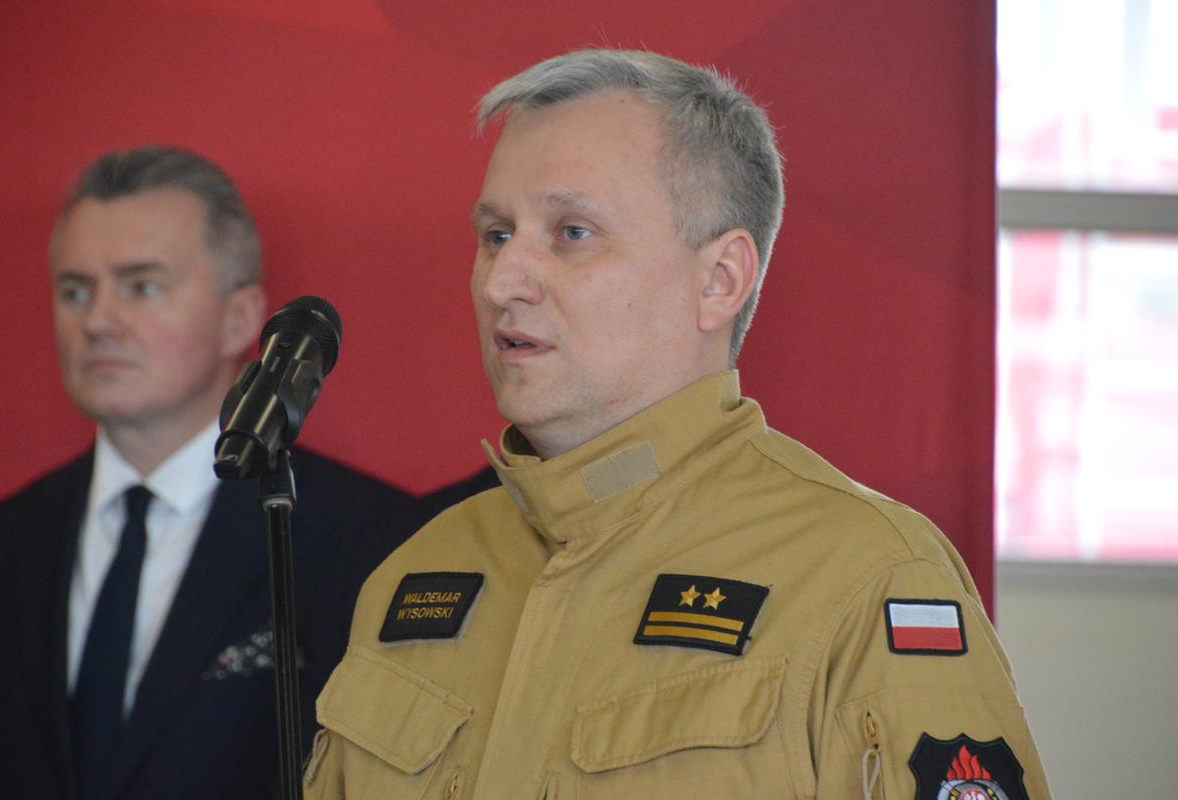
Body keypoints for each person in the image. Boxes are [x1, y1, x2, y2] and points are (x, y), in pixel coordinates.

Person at [302, 50, 1052, 799]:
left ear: (719, 281)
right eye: (497, 234)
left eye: (572, 232)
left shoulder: (868, 577)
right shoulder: (412, 576)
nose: (501, 283)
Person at [0, 147, 443, 800]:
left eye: (142, 286)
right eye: (75, 290)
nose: (99, 321)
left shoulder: (370, 542)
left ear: (240, 318)